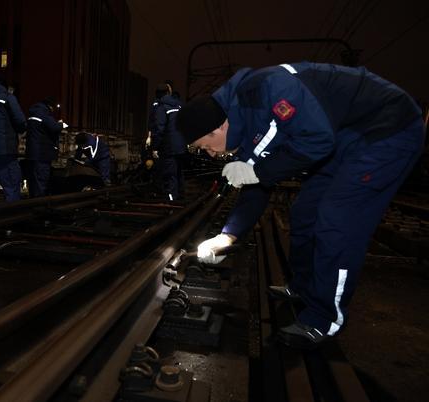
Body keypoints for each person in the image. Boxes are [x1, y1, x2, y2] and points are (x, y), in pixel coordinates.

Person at [177, 61, 425, 349]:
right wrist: (228, 236)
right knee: (304, 211)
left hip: (387, 129)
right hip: (343, 140)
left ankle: (324, 318)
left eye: (206, 146)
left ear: (220, 126)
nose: (210, 153)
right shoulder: (244, 122)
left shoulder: (269, 88)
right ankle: (303, 287)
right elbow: (256, 188)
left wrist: (259, 171)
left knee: (337, 219)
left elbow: (316, 139)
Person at [151, 82, 186, 200]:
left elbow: (159, 129)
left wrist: (155, 147)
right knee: (179, 172)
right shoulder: (179, 105)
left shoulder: (161, 107)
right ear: (168, 92)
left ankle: (171, 199)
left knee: (170, 174)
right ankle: (180, 196)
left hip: (169, 146)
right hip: (181, 145)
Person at [26, 96, 66, 197]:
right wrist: (61, 124)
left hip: (31, 152)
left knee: (33, 180)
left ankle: (32, 201)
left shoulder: (33, 113)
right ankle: (39, 202)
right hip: (42, 153)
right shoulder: (44, 114)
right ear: (50, 106)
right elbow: (54, 127)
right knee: (41, 179)